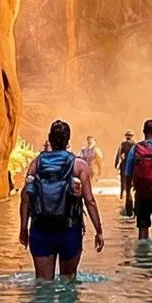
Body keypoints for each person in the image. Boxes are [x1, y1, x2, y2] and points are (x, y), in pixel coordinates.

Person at [21, 119, 105, 279]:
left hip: (41, 229)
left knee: (43, 286)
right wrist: (98, 231)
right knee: (68, 283)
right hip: (69, 230)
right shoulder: (79, 166)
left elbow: (25, 198)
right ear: (68, 140)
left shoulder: (36, 164)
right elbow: (89, 201)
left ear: (50, 138)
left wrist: (23, 228)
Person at [115, 130, 137, 216]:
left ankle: (122, 195)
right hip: (132, 165)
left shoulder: (123, 144)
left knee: (123, 181)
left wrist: (117, 163)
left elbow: (119, 154)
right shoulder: (134, 145)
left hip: (124, 164)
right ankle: (131, 196)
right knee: (131, 182)